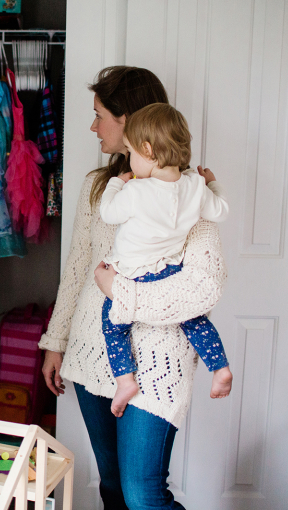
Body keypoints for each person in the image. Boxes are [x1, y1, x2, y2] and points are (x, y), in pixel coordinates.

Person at [39, 66, 227, 510]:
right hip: (92, 349)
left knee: (144, 496)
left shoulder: (187, 193)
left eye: (99, 114)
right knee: (112, 485)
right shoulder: (99, 187)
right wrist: (55, 341)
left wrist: (127, 296)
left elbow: (204, 285)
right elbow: (78, 271)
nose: (92, 126)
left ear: (127, 122)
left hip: (159, 358)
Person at [99, 103, 233, 417]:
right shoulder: (194, 186)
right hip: (168, 271)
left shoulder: (136, 191)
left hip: (132, 275)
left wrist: (117, 183)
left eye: (130, 151)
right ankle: (221, 368)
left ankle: (125, 380)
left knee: (113, 325)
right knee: (194, 320)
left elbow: (108, 213)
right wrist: (213, 183)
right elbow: (221, 211)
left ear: (147, 149)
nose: (129, 159)